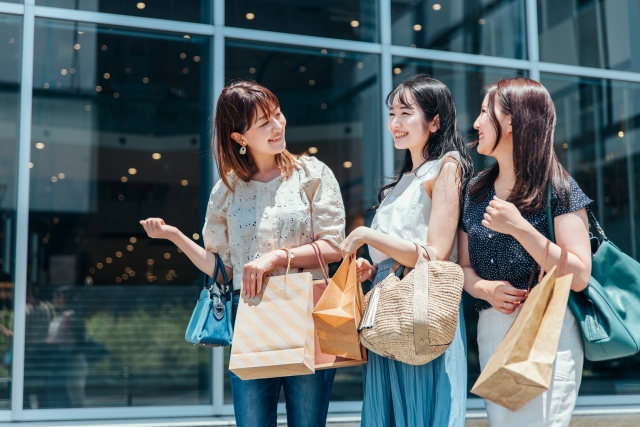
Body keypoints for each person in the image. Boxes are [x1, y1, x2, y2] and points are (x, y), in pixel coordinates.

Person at [140, 80, 345, 427]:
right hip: (250, 314)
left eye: (277, 115)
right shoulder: (227, 190)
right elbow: (223, 270)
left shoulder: (312, 174)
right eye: (264, 123)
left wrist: (277, 258)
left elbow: (334, 247)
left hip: (308, 312)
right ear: (239, 137)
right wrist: (174, 236)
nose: (277, 126)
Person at [339, 74, 473, 427]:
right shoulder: (402, 180)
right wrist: (372, 268)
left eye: (405, 113)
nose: (395, 124)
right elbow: (399, 249)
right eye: (392, 114)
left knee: (422, 411)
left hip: (420, 307)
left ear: (434, 121)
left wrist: (367, 235)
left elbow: (434, 253)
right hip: (389, 310)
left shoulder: (447, 166)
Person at [458, 77, 592, 426]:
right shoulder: (475, 189)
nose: (475, 123)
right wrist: (483, 288)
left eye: (485, 112)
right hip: (491, 330)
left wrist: (520, 227)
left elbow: (578, 275)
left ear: (513, 121)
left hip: (547, 330)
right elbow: (464, 267)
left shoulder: (557, 186)